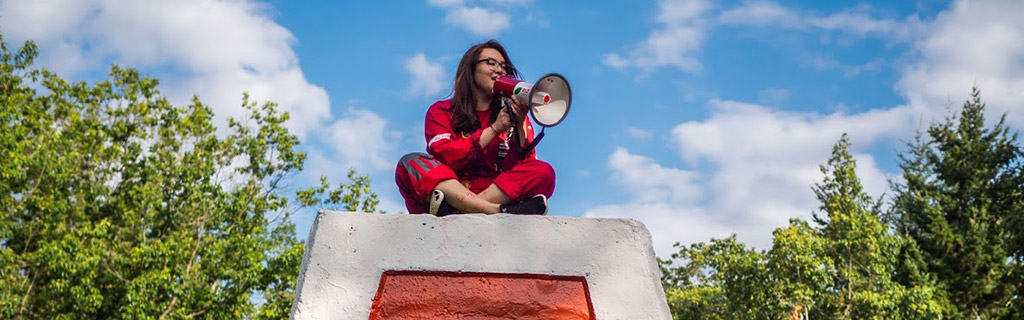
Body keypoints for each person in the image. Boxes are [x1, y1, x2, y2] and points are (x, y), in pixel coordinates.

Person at [395, 39, 555, 216]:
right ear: (471, 69)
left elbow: (523, 167)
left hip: (458, 205)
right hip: (451, 189)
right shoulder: (442, 111)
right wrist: (494, 129)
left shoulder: (514, 118)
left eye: (503, 66)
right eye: (491, 63)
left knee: (544, 171)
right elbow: (444, 154)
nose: (499, 70)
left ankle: (463, 209)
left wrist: (519, 124)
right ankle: (492, 210)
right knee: (410, 163)